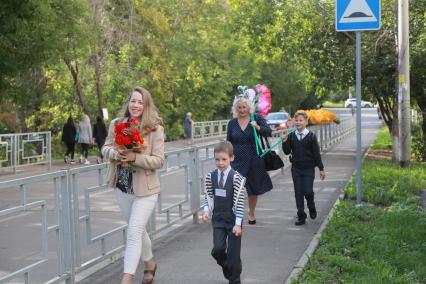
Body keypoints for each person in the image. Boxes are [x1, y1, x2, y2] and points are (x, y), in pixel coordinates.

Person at [102, 86, 164, 284]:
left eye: (140, 102)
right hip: (123, 187)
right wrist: (115, 154)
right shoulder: (117, 123)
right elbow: (105, 147)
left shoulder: (155, 128)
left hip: (146, 190)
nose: (135, 105)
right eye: (133, 101)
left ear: (146, 105)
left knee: (133, 232)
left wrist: (134, 157)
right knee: (137, 230)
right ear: (128, 103)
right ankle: (150, 264)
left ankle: (126, 279)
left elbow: (158, 161)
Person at [202, 141, 246, 284]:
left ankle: (234, 279)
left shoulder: (237, 178)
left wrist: (238, 224)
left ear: (231, 158)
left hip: (233, 220)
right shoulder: (210, 177)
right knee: (217, 249)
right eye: (217, 159)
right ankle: (229, 268)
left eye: (224, 159)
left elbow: (240, 203)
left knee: (233, 255)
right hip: (218, 219)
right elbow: (208, 196)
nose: (220, 163)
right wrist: (206, 210)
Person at [226, 96, 273, 225]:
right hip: (236, 158)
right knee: (235, 188)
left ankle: (251, 212)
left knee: (252, 188)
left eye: (244, 107)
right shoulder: (232, 123)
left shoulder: (256, 118)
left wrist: (257, 127)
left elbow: (269, 132)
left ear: (249, 107)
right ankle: (236, 214)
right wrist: (227, 158)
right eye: (239, 107)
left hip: (254, 157)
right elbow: (228, 141)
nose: (242, 110)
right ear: (236, 108)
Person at [282, 110, 325, 226]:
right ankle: (301, 215)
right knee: (298, 193)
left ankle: (311, 205)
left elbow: (316, 154)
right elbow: (286, 152)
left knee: (308, 191)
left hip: (308, 169)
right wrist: (284, 141)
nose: (298, 122)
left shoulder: (311, 136)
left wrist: (321, 169)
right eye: (296, 120)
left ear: (306, 122)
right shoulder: (291, 136)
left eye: (301, 120)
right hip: (296, 169)